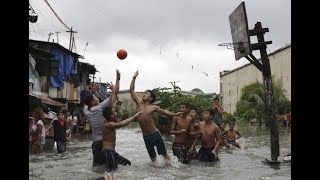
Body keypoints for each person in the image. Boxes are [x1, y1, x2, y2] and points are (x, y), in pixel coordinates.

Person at [130, 70, 181, 163]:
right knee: (152, 157)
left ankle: (170, 170)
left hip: (155, 134)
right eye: (144, 93)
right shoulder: (139, 103)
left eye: (146, 94)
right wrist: (134, 78)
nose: (144, 94)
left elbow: (165, 112)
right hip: (145, 136)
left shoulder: (153, 107)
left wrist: (175, 114)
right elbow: (131, 91)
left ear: (151, 98)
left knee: (164, 154)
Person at [101, 70, 142, 179]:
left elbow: (114, 95)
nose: (116, 112)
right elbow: (122, 123)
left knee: (126, 163)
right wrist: (134, 116)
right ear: (110, 115)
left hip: (112, 151)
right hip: (108, 151)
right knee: (112, 173)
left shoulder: (110, 119)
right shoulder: (108, 124)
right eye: (114, 112)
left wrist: (118, 79)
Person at [83, 71, 117, 166]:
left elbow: (87, 103)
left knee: (97, 166)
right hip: (104, 142)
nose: (97, 98)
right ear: (93, 101)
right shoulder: (100, 108)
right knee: (107, 166)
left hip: (95, 143)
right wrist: (113, 89)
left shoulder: (87, 111)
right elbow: (111, 98)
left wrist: (92, 92)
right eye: (95, 97)